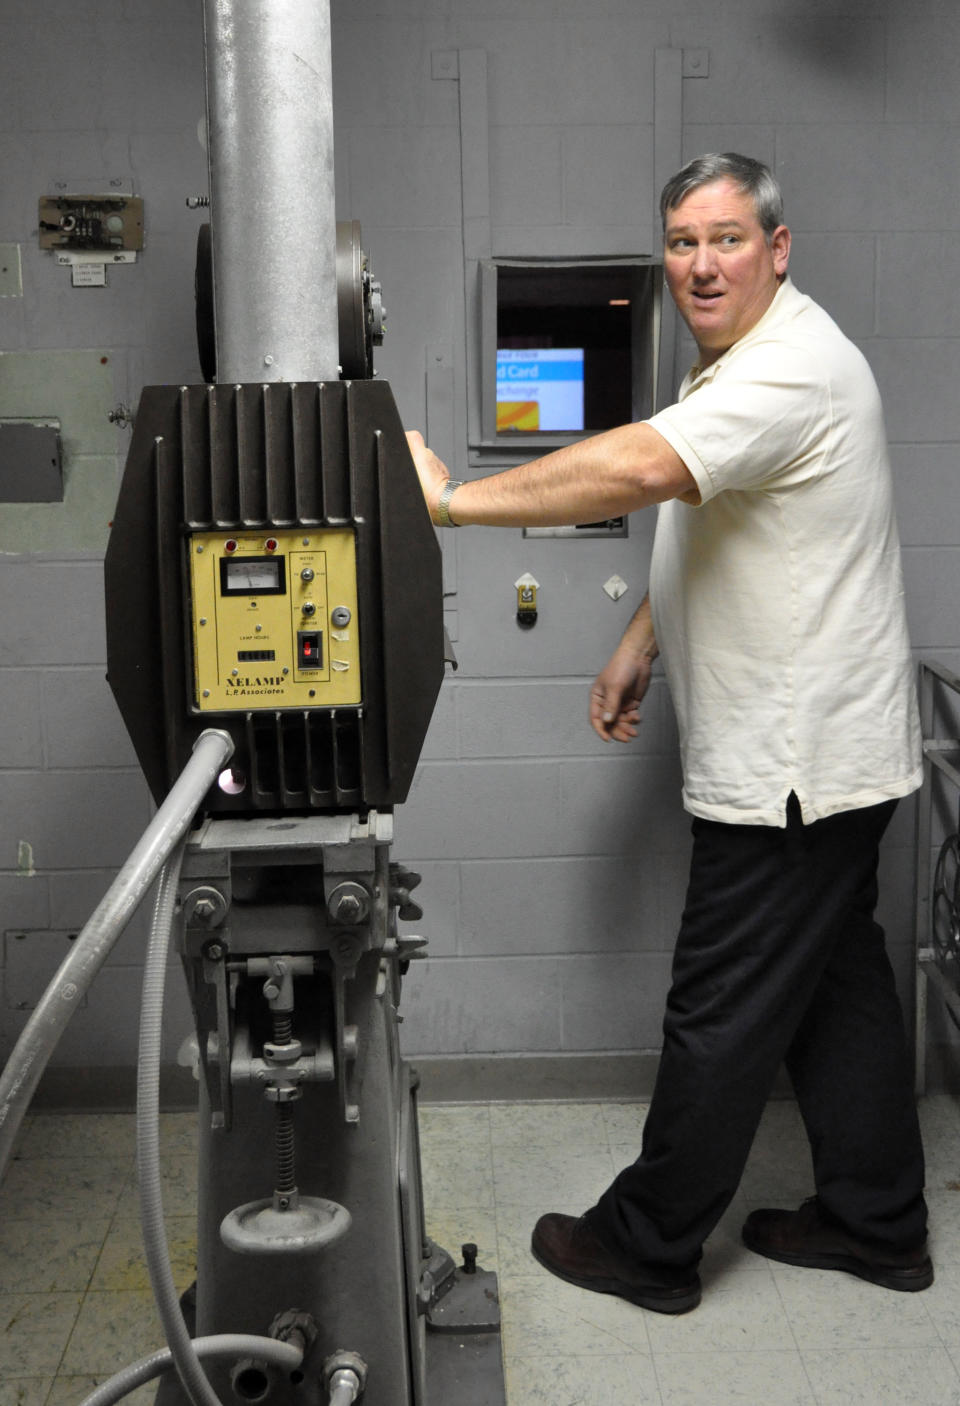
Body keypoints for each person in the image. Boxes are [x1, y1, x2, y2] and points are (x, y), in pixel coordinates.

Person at [406, 152, 930, 1314]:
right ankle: (878, 1220)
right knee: (839, 993)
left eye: (728, 238)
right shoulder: (742, 365)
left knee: (721, 1008)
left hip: (792, 771)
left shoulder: (788, 369)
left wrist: (447, 501)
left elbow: (643, 467)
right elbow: (721, 511)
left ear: (777, 250)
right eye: (684, 241)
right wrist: (644, 634)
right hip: (838, 761)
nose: (702, 262)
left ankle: (648, 1243)